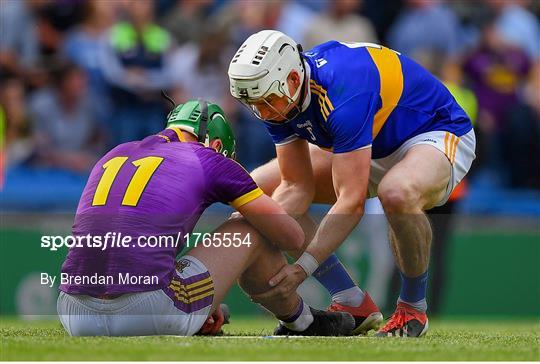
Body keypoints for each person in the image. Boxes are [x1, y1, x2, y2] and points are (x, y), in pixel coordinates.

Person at [227, 30, 476, 337]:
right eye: (255, 104)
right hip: (363, 144)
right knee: (256, 191)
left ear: (293, 79)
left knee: (395, 192)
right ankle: (351, 300)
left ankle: (412, 309)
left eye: (268, 101)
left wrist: (302, 269)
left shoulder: (343, 91)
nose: (264, 112)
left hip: (433, 132)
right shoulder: (276, 92)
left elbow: (352, 203)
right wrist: (233, 253)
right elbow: (295, 187)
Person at [56, 99, 354, 337]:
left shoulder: (114, 153)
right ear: (215, 144)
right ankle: (301, 321)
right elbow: (291, 236)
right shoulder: (209, 158)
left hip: (72, 311)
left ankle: (199, 311)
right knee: (250, 225)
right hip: (149, 307)